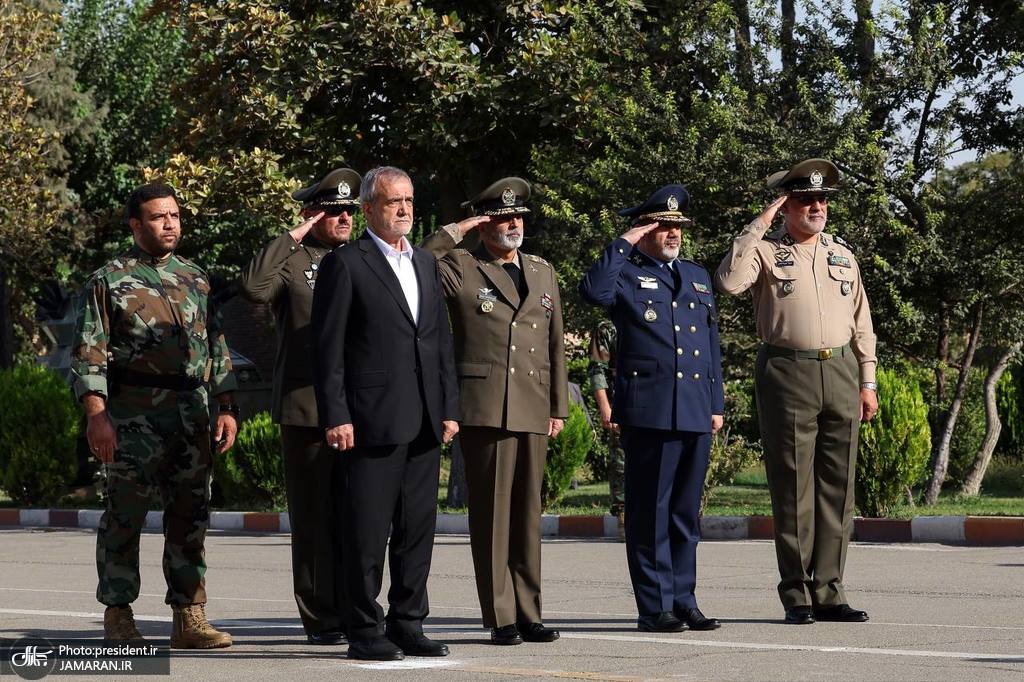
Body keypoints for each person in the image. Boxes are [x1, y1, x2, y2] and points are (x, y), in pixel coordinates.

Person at [70, 182, 238, 649]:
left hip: (190, 413)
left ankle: (189, 617)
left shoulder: (197, 278)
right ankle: (119, 615)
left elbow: (217, 349)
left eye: (175, 216)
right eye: (159, 217)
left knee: (191, 515)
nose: (170, 224)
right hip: (132, 416)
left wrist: (226, 406)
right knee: (124, 515)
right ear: (136, 225)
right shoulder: (109, 279)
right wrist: (97, 415)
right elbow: (89, 355)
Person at [714, 158, 878, 625]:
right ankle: (797, 594)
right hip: (787, 372)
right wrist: (758, 224)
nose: (817, 207)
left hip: (841, 370)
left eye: (822, 199)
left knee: (837, 487)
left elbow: (862, 323)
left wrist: (868, 380)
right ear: (786, 205)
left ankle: (829, 589)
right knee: (792, 489)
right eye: (805, 199)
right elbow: (728, 282)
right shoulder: (765, 251)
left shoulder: (843, 254)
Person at [311, 166, 460, 661]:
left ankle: (408, 622)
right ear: (369, 208)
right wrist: (336, 414)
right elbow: (327, 349)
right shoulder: (346, 264)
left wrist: (448, 406)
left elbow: (438, 341)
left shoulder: (424, 263)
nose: (404, 210)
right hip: (369, 418)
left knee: (417, 530)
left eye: (410, 201)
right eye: (394, 201)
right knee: (367, 532)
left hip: (423, 418)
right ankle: (363, 628)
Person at [420, 177, 568, 646]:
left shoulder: (542, 269)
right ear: (484, 224)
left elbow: (555, 343)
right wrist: (456, 229)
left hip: (533, 404)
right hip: (486, 406)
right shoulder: (463, 265)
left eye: (518, 217)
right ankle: (501, 613)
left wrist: (558, 406)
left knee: (527, 514)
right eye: (502, 218)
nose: (512, 225)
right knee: (493, 516)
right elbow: (418, 262)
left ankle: (529, 611)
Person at [580, 184, 724, 633]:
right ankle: (654, 606)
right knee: (650, 514)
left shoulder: (698, 276)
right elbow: (592, 291)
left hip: (696, 410)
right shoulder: (625, 272)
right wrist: (624, 241)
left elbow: (711, 345)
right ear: (644, 229)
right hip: (651, 411)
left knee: (685, 514)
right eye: (662, 225)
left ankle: (684, 599)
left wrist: (715, 403)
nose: (672, 233)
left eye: (677, 226)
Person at [239, 167, 361, 645]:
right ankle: (321, 615)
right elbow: (252, 287)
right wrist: (293, 235)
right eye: (334, 210)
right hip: (307, 407)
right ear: (312, 214)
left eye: (350, 209)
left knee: (358, 517)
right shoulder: (295, 260)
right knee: (314, 519)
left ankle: (357, 608)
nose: (345, 217)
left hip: (360, 407)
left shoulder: (362, 258)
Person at [587, 318, 626, 540]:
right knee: (621, 462)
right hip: (619, 402)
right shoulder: (608, 327)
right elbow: (597, 368)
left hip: (652, 401)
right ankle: (623, 517)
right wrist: (605, 406)